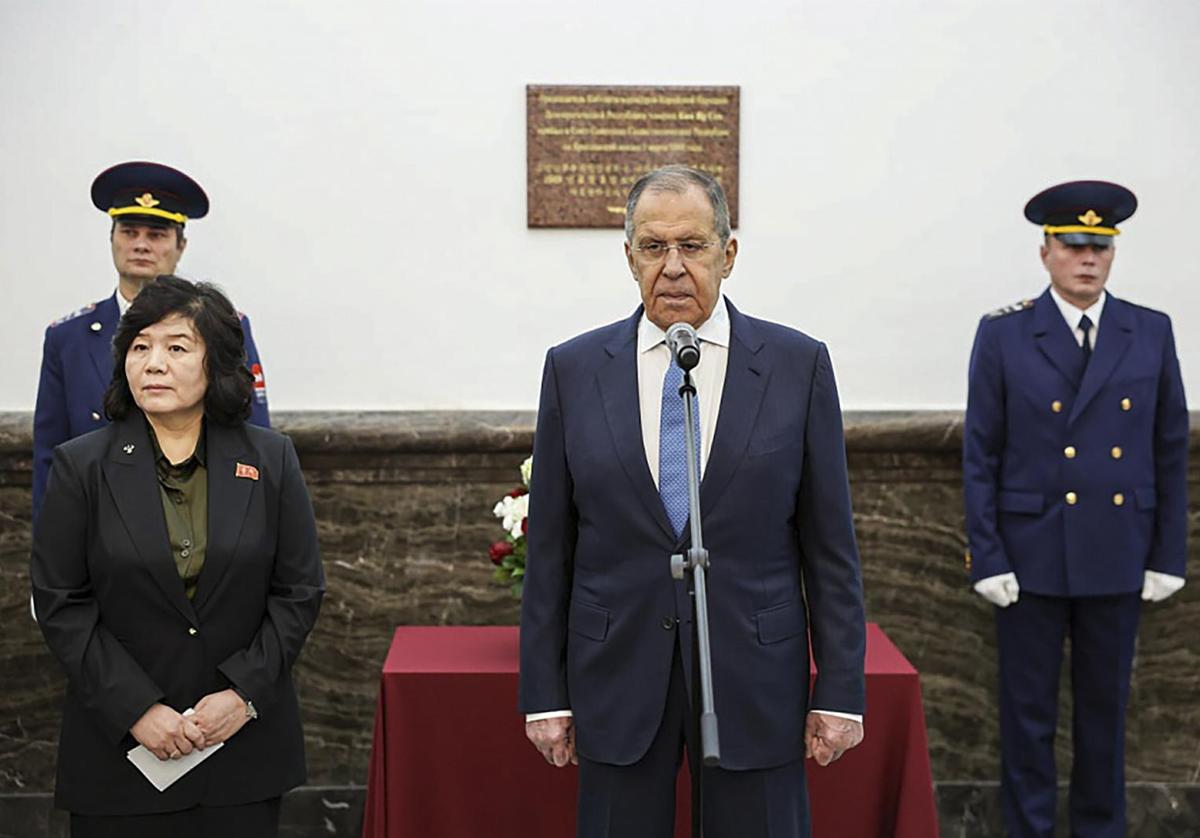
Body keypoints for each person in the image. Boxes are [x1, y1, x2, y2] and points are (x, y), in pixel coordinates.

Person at [519, 165, 866, 838]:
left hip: (755, 678)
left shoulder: (798, 365)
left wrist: (842, 691)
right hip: (617, 675)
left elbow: (830, 547)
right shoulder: (575, 368)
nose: (673, 267)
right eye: (653, 247)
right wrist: (543, 692)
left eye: (693, 246)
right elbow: (551, 548)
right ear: (629, 257)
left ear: (728, 254)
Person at [31, 276, 324, 838]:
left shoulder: (270, 459)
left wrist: (242, 696)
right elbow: (62, 603)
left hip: (240, 752)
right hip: (120, 755)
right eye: (140, 347)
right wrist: (137, 709)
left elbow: (299, 591)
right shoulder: (82, 466)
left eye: (176, 347)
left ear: (216, 364)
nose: (154, 364)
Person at [963, 180, 1188, 836]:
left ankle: (1099, 829)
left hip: (1118, 551)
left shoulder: (1147, 331)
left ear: (1112, 254)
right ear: (1046, 254)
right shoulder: (1004, 333)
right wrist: (988, 554)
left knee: (1105, 717)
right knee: (1027, 718)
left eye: (1100, 246)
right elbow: (981, 452)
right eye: (1073, 246)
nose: (1087, 258)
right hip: (1029, 556)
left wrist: (1166, 553)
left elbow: (1169, 449)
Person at [32, 161, 270, 524]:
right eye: (129, 232)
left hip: (198, 524)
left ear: (181, 245)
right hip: (98, 530)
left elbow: (254, 438)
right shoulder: (67, 339)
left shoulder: (223, 328)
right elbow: (50, 455)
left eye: (157, 234)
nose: (141, 244)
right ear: (112, 239)